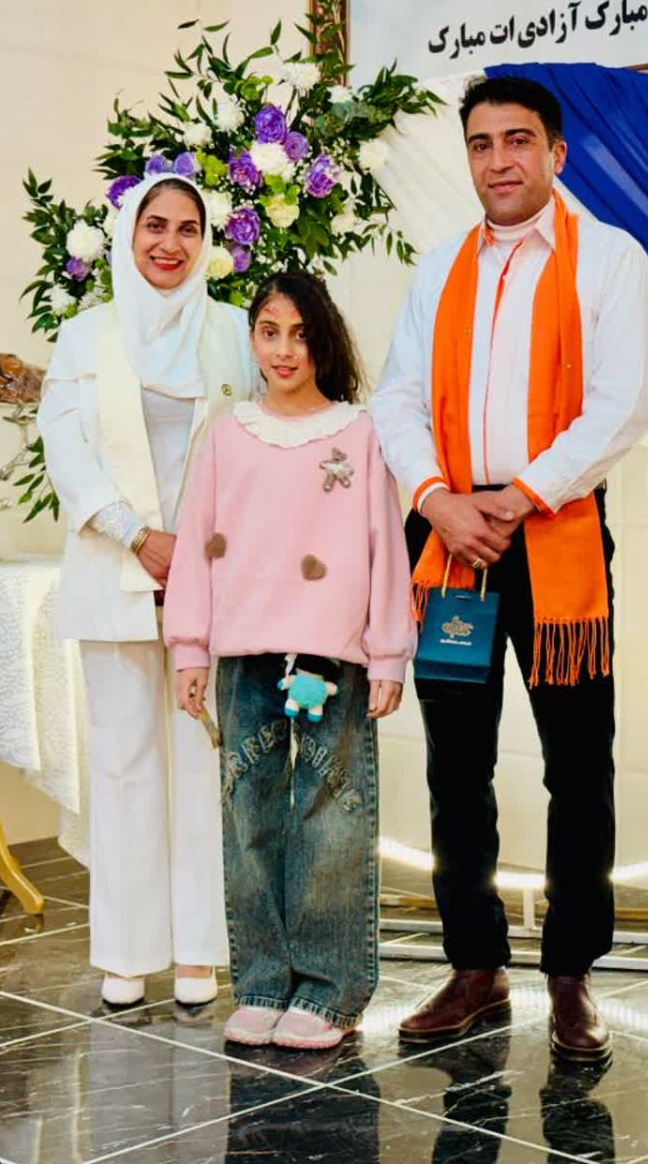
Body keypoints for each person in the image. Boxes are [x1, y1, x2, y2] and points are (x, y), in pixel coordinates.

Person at [370, 75, 648, 1061]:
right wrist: (436, 500)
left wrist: (519, 495)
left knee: (578, 765)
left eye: (518, 140)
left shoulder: (608, 260)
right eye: (482, 143)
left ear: (556, 153)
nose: (499, 160)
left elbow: (621, 402)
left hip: (555, 534)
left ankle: (571, 976)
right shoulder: (439, 268)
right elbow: (397, 398)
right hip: (452, 542)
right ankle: (475, 966)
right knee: (457, 767)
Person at [164, 272, 415, 1050]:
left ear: (323, 341)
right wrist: (188, 647)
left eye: (300, 334)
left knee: (330, 816)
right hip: (244, 654)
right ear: (252, 339)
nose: (283, 350)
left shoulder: (360, 433)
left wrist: (388, 655)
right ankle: (264, 982)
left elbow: (385, 546)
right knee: (251, 814)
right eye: (269, 332)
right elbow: (194, 545)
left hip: (331, 655)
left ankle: (330, 991)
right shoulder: (227, 435)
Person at [37, 173, 254, 1008]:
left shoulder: (233, 332)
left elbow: (254, 445)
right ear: (128, 235)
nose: (170, 243)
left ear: (207, 241)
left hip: (214, 577)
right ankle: (127, 951)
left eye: (187, 228)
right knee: (124, 763)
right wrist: (137, 534)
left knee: (204, 762)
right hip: (115, 569)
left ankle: (200, 948)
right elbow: (67, 451)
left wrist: (199, 549)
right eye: (154, 226)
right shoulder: (84, 335)